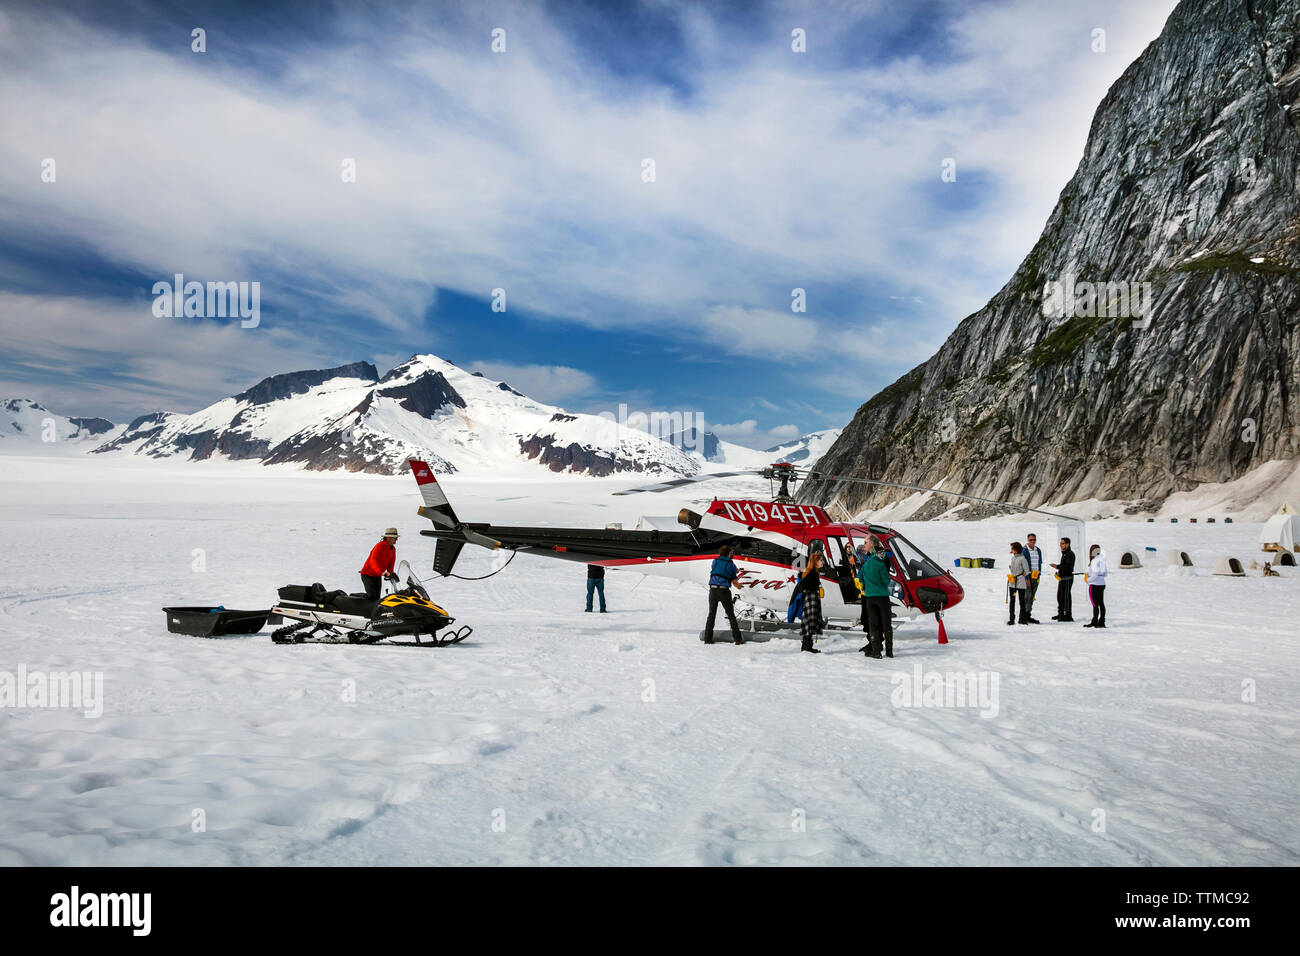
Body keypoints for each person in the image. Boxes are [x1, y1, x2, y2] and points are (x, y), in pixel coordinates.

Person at [858, 535, 894, 658]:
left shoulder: (880, 556)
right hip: (879, 594)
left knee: (875, 623)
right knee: (880, 622)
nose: (864, 545)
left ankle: (876, 648)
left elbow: (884, 570)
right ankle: (882, 648)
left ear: (872, 543)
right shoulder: (872, 558)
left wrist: (866, 585)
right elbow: (885, 579)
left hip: (871, 594)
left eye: (865, 542)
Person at [703, 544, 744, 645]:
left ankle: (707, 639)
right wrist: (739, 586)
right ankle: (738, 639)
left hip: (712, 590)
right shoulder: (731, 564)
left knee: (711, 615)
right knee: (731, 615)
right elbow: (734, 581)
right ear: (729, 553)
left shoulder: (715, 561)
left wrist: (733, 570)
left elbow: (718, 570)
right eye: (731, 553)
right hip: (724, 591)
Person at [796, 551, 825, 653]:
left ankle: (807, 646)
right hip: (811, 599)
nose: (822, 562)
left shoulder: (812, 572)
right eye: (820, 560)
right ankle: (806, 647)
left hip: (811, 598)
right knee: (810, 621)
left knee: (810, 621)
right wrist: (807, 589)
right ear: (815, 562)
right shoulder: (812, 573)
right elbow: (802, 584)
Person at [360, 527, 400, 600]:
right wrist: (381, 572)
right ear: (388, 538)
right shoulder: (379, 546)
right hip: (367, 574)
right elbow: (373, 562)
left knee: (377, 598)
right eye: (395, 538)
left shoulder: (392, 549)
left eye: (396, 538)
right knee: (372, 596)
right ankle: (356, 599)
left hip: (377, 575)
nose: (396, 539)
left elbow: (391, 563)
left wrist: (390, 573)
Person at [1049, 537, 1075, 621]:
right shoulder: (1064, 553)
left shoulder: (1070, 554)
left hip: (1067, 578)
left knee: (1066, 596)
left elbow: (1068, 567)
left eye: (1063, 543)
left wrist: (1057, 566)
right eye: (1060, 543)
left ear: (1068, 544)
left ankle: (1067, 615)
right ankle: (1060, 613)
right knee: (1060, 596)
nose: (1061, 545)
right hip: (1062, 578)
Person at [1084, 544, 1107, 628]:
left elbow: (1095, 574)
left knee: (1095, 604)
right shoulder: (1102, 561)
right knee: (1101, 603)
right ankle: (1102, 621)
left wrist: (1087, 580)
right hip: (1102, 584)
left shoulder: (1094, 561)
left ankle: (1094, 621)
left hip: (1094, 585)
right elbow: (1105, 574)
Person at [1007, 541, 1030, 625]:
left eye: (1012, 548)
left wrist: (1024, 573)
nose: (1011, 550)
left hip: (1020, 582)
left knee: (1021, 601)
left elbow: (1027, 570)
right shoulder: (1013, 558)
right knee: (1012, 601)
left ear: (1016, 549)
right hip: (1012, 581)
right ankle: (1011, 619)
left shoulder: (1023, 558)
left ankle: (1022, 619)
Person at [1023, 533, 1043, 623]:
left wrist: (1039, 574)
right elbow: (1024, 565)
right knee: (1027, 595)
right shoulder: (1025, 550)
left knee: (1032, 596)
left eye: (1034, 540)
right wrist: (1026, 578)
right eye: (1031, 540)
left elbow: (1040, 562)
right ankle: (1023, 614)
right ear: (1028, 540)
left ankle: (1028, 614)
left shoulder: (1038, 550)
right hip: (1028, 576)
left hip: (1036, 575)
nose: (1032, 541)